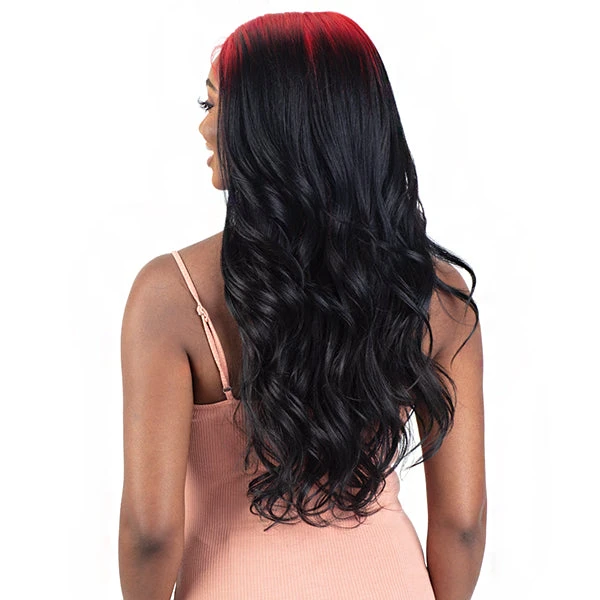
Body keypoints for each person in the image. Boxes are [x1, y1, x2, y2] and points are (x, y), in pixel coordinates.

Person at [118, 11, 486, 600]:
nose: (204, 128)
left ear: (273, 124)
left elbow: (151, 533)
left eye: (215, 106)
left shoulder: (171, 295)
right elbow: (462, 525)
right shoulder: (437, 298)